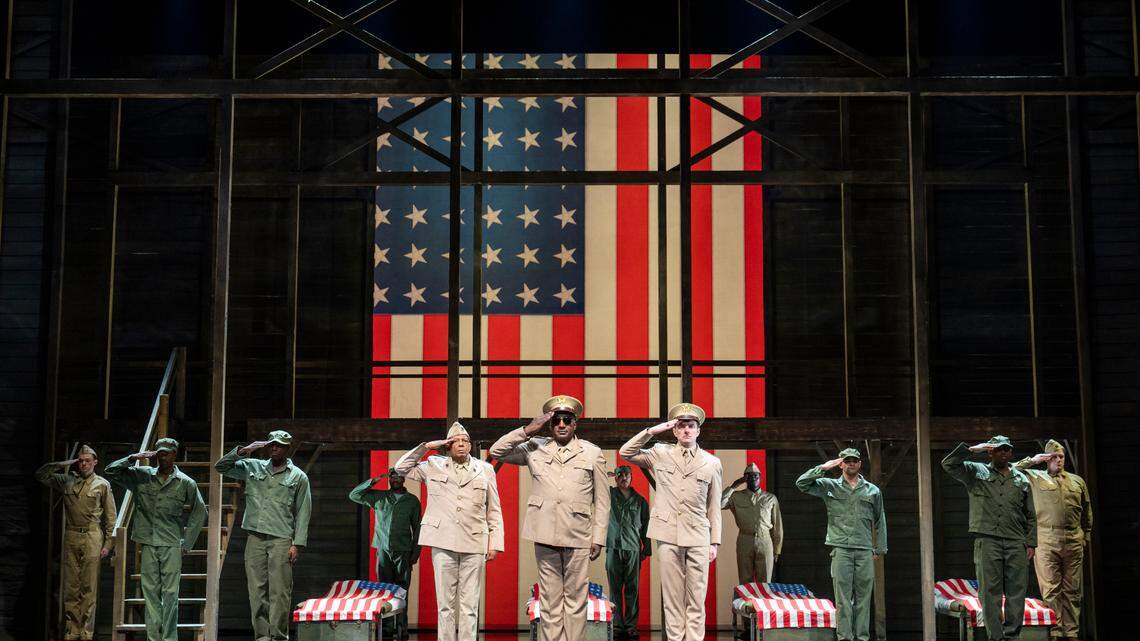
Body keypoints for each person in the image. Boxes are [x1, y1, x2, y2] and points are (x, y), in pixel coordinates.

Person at [489, 395, 609, 641]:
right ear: (549, 424)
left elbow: (604, 500)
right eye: (556, 421)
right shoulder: (535, 446)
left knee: (576, 601)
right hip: (544, 533)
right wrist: (527, 430)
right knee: (550, 600)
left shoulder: (592, 452)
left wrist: (598, 537)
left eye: (566, 420)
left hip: (579, 534)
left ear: (575, 424)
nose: (561, 425)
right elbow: (497, 451)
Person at [618, 402, 722, 641]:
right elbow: (626, 452)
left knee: (696, 598)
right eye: (681, 426)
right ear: (674, 431)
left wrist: (714, 542)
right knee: (673, 598)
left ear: (698, 430)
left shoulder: (711, 462)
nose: (686, 430)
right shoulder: (660, 453)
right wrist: (652, 432)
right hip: (667, 533)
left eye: (691, 425)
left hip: (698, 535)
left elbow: (713, 505)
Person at [394, 421, 504, 641]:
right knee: (445, 605)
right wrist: (427, 446)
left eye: (465, 441)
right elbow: (400, 468)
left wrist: (495, 543)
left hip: (474, 541)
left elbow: (494, 509)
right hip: (443, 541)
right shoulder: (433, 464)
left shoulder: (485, 469)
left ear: (471, 445)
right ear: (448, 446)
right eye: (456, 442)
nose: (461, 445)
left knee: (469, 605)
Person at [215, 430, 312, 641]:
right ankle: (262, 637)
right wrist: (245, 450)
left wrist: (298, 544)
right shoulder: (253, 467)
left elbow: (304, 511)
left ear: (287, 449)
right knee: (256, 592)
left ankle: (278, 637)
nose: (275, 448)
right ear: (268, 447)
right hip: (255, 538)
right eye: (272, 444)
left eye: (280, 445)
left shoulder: (298, 477)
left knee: (280, 592)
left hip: (281, 539)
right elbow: (221, 467)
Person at [105, 438, 206, 641]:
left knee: (170, 595)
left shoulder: (185, 482)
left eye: (167, 452)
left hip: (170, 543)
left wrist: (187, 542)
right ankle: (154, 638)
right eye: (160, 452)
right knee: (150, 594)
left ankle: (169, 638)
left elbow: (199, 511)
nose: (163, 456)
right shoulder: (142, 476)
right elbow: (111, 471)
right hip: (148, 542)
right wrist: (133, 458)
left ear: (174, 454)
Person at [942, 436, 1037, 641]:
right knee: (989, 592)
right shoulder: (976, 472)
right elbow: (948, 464)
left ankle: (1012, 636)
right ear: (990, 452)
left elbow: (1031, 514)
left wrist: (1031, 542)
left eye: (1006, 449)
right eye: (998, 449)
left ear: (1011, 453)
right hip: (988, 540)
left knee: (1016, 592)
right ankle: (995, 637)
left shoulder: (1021, 478)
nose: (1003, 452)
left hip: (1015, 541)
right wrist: (972, 450)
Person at [795, 448, 886, 641]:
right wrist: (824, 467)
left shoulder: (872, 490)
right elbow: (801, 483)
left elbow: (880, 520)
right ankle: (845, 637)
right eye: (847, 460)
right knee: (843, 598)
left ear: (860, 463)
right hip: (841, 548)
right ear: (841, 463)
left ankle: (861, 637)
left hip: (864, 550)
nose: (851, 463)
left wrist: (879, 548)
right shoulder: (830, 486)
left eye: (855, 460)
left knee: (863, 598)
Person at [36, 445, 117, 641]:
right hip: (71, 535)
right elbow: (41, 474)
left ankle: (86, 632)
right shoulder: (67, 481)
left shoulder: (102, 484)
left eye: (87, 461)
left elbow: (111, 518)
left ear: (95, 462)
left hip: (92, 535)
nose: (84, 464)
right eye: (80, 461)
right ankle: (72, 630)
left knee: (89, 587)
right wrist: (65, 463)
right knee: (71, 587)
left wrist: (108, 545)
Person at [1014, 439, 1092, 641]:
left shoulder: (1077, 481)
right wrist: (1034, 460)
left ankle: (1072, 633)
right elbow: (1012, 469)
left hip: (1073, 538)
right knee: (1051, 588)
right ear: (1047, 459)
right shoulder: (1035, 477)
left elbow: (1086, 510)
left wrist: (1086, 534)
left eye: (1061, 456)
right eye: (1054, 457)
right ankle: (1056, 632)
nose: (1058, 460)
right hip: (1047, 538)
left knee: (1073, 589)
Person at [349, 466, 421, 640]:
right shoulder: (379, 497)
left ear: (404, 479)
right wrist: (374, 480)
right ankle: (387, 627)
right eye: (392, 476)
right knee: (385, 589)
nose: (395, 479)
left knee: (402, 590)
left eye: (399, 476)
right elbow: (354, 495)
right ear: (389, 479)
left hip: (403, 550)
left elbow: (418, 527)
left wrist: (415, 552)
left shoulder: (412, 501)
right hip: (383, 549)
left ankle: (402, 627)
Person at [605, 465, 650, 641]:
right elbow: (594, 485)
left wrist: (646, 548)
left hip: (632, 548)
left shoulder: (640, 501)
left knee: (632, 589)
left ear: (631, 477)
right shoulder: (608, 495)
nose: (624, 478)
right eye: (620, 475)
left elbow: (646, 525)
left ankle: (631, 626)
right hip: (613, 547)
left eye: (627, 475)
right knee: (614, 588)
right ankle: (616, 625)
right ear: (615, 478)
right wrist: (604, 474)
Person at [721, 461, 783, 584]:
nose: (753, 478)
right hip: (745, 539)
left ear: (760, 478)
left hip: (765, 540)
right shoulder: (736, 496)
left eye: (756, 475)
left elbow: (778, 526)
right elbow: (719, 504)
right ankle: (747, 604)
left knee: (765, 582)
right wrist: (734, 485)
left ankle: (761, 604)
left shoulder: (770, 498)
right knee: (745, 580)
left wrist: (777, 549)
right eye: (749, 476)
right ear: (745, 479)